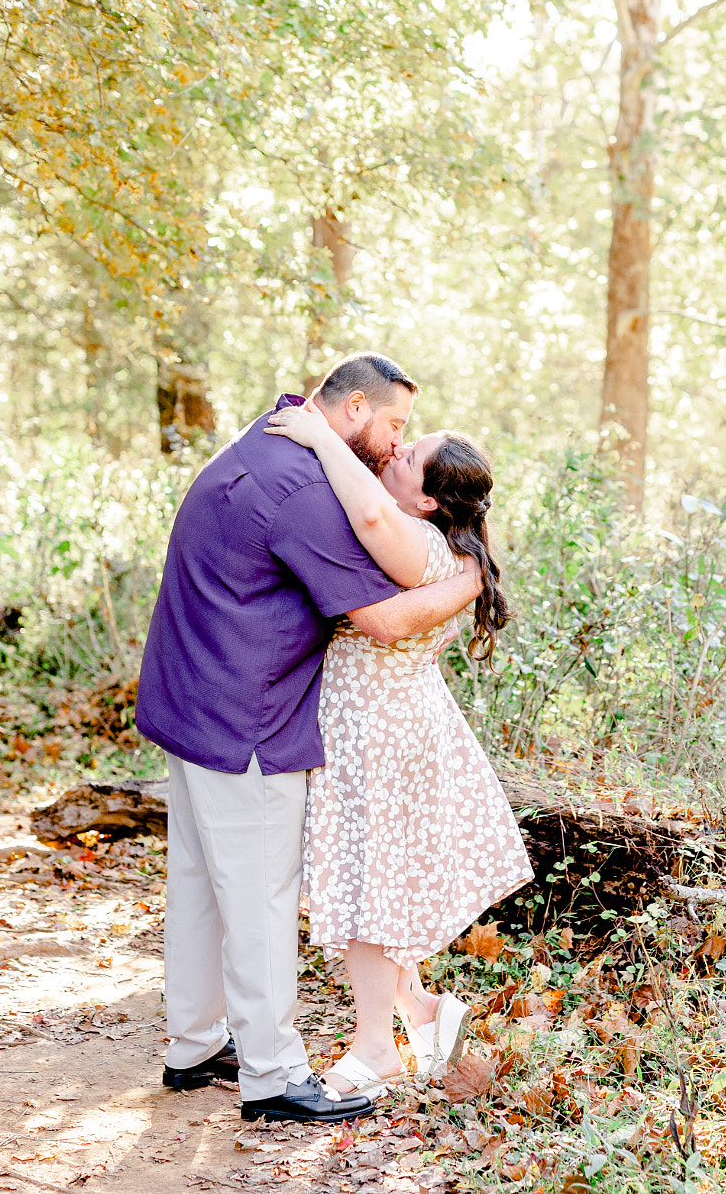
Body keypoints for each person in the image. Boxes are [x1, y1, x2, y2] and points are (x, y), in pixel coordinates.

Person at [134, 353, 481, 1124]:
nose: (396, 443)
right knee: (257, 896)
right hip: (244, 717)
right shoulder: (305, 490)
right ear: (354, 408)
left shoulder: (263, 442)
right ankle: (272, 1074)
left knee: (198, 885)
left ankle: (195, 1044)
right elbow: (384, 620)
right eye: (393, 424)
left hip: (190, 698)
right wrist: (470, 582)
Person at [262, 401, 532, 1101]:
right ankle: (422, 1012)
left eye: (411, 457)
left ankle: (376, 1049)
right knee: (374, 874)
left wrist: (323, 436)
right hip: (387, 722)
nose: (397, 451)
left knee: (369, 882)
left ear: (431, 498)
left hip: (378, 730)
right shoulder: (452, 551)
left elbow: (374, 520)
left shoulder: (416, 538)